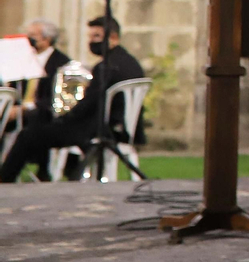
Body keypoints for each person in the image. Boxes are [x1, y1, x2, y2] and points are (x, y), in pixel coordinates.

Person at [0, 16, 143, 183]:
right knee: (40, 127)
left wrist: (66, 117)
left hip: (101, 129)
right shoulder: (129, 62)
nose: (91, 41)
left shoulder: (106, 66)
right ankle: (49, 173)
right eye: (90, 37)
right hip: (119, 127)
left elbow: (89, 104)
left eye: (96, 36)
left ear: (113, 37)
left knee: (30, 135)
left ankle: (5, 179)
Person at [2, 20, 72, 181]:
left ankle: (10, 175)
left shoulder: (61, 63)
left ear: (47, 39)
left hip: (42, 112)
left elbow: (55, 98)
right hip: (17, 110)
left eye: (32, 35)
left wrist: (25, 107)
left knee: (34, 122)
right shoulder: (23, 60)